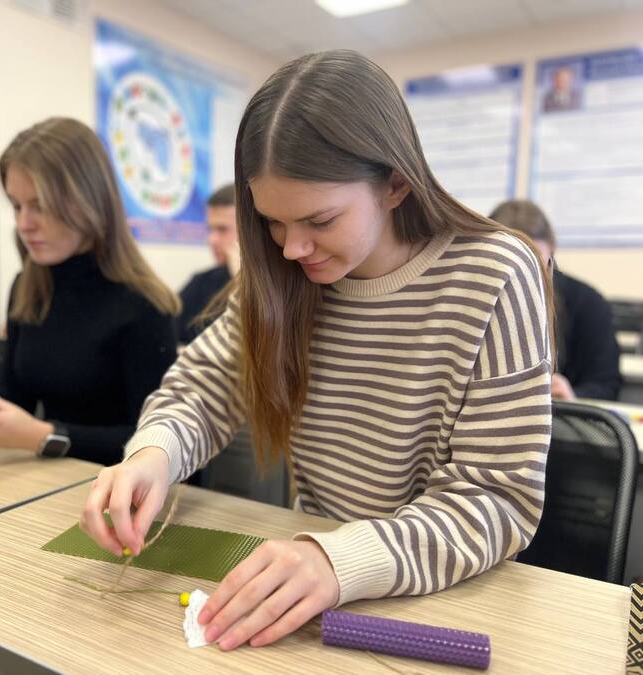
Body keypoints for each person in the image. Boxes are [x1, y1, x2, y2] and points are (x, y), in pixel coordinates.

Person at [80, 50, 554, 651]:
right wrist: (151, 456)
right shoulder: (281, 275)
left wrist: (338, 561)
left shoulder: (494, 272)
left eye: (319, 220)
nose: (291, 249)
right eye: (273, 223)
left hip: (439, 594)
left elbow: (498, 499)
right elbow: (201, 390)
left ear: (396, 183)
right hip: (311, 576)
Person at [0, 118, 180, 465]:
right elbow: (12, 403)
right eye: (17, 205)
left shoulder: (144, 305)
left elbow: (158, 443)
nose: (23, 224)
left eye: (41, 206)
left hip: (117, 495)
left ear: (89, 201)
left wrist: (44, 435)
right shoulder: (28, 287)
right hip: (44, 480)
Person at [490, 199, 621, 400]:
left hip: (564, 422)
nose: (524, 274)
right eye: (508, 262)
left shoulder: (588, 303)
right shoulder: (474, 304)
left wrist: (573, 395)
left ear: (552, 248)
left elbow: (606, 384)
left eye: (534, 259)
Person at [176, 184, 238, 343]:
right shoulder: (201, 282)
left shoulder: (277, 286)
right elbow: (167, 337)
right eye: (210, 229)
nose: (212, 239)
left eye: (222, 229)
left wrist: (240, 280)